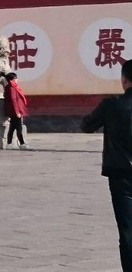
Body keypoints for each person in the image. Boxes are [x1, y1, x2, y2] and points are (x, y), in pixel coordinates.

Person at [82, 60, 132, 272]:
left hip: (121, 175)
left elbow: (87, 126)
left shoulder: (111, 106)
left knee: (127, 230)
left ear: (124, 79)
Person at [3, 72, 30, 150]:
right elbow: (13, 100)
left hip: (13, 111)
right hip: (15, 111)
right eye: (16, 78)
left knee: (12, 128)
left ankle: (9, 143)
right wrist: (17, 112)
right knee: (19, 128)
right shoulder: (11, 88)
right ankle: (22, 143)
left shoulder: (10, 87)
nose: (17, 80)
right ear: (12, 79)